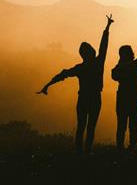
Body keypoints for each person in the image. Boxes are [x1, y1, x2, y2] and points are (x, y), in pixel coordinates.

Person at [37, 14, 114, 154]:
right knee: (90, 127)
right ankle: (87, 152)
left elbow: (62, 74)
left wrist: (47, 85)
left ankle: (79, 152)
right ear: (90, 52)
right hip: (95, 98)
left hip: (83, 98)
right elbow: (104, 45)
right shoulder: (98, 63)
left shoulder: (80, 68)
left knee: (81, 126)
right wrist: (107, 28)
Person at [112, 24, 137, 150]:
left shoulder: (119, 68)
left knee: (121, 125)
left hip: (122, 98)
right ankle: (132, 147)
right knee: (133, 125)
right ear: (131, 54)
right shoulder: (136, 65)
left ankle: (120, 147)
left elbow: (114, 76)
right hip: (135, 98)